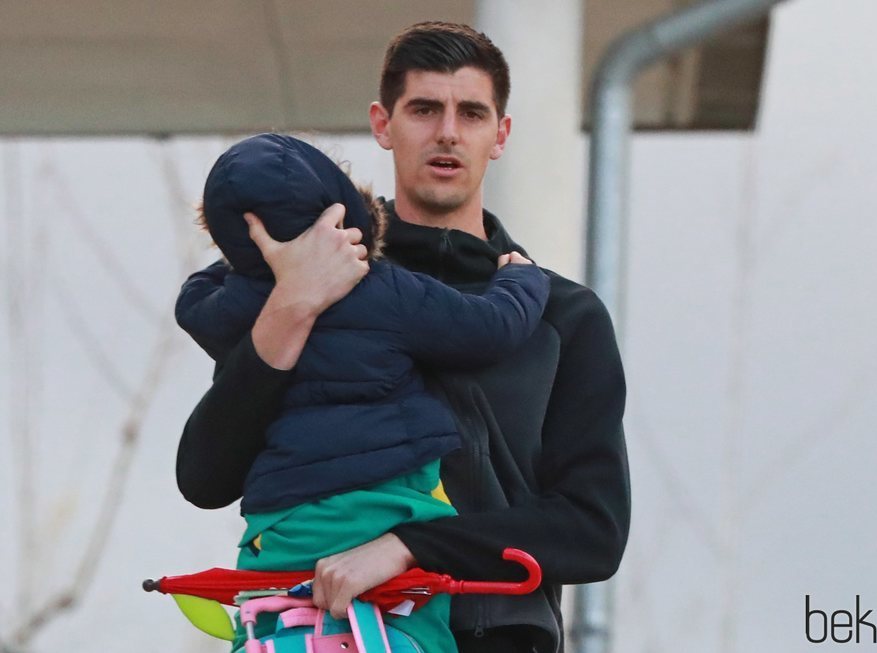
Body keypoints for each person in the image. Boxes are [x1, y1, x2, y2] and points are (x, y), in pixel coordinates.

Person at [176, 21, 630, 653]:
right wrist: (292, 308)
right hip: (332, 634)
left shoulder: (563, 315)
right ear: (383, 124)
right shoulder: (308, 285)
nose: (447, 131)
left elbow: (592, 530)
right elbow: (204, 477)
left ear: (499, 135)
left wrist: (408, 546)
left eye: (471, 113)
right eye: (424, 109)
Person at [176, 132, 550, 652]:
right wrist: (523, 280)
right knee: (409, 626)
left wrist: (265, 266)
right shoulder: (382, 289)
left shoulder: (232, 311)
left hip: (281, 532)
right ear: (345, 210)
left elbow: (192, 299)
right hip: (383, 516)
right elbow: (492, 327)